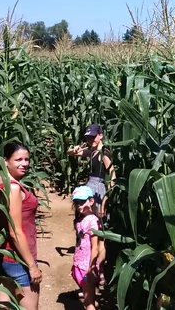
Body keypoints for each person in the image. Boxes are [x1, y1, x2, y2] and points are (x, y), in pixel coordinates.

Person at [0, 141, 42, 310]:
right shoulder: (13, 188)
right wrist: (32, 266)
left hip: (3, 254)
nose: (24, 164)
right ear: (6, 161)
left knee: (4, 306)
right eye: (18, 159)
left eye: (26, 159)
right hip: (18, 260)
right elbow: (15, 232)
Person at [67, 123, 115, 285]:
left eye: (93, 137)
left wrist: (105, 203)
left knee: (100, 235)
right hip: (91, 187)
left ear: (100, 135)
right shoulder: (93, 151)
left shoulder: (104, 153)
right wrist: (74, 149)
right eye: (88, 137)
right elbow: (72, 153)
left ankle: (100, 271)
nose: (90, 140)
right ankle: (93, 268)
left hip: (99, 191)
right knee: (88, 229)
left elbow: (112, 178)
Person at [70, 185, 101, 310]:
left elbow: (95, 247)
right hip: (80, 262)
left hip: (87, 265)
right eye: (76, 202)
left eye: (82, 201)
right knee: (88, 295)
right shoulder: (81, 220)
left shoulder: (93, 221)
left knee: (88, 302)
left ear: (91, 201)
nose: (79, 205)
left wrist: (91, 267)